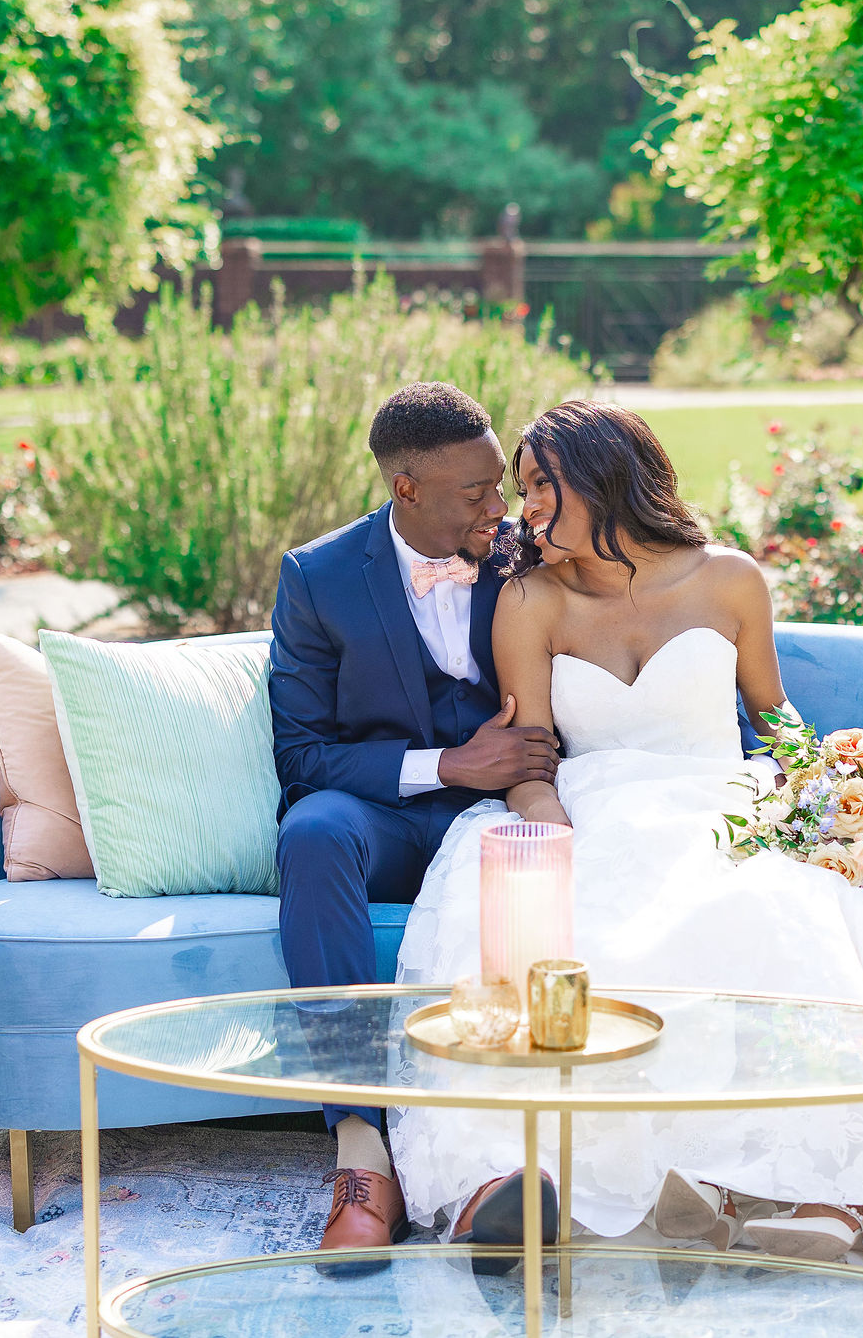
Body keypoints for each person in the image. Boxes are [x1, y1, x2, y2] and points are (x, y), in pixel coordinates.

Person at [390, 400, 863, 1292]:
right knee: (577, 921)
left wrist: (844, 799)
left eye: (544, 490)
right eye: (524, 494)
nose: (528, 515)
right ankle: (575, 1183)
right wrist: (545, 819)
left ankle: (816, 1193)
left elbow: (776, 722)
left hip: (724, 802)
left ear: (605, 481)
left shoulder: (731, 580)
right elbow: (528, 755)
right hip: (593, 806)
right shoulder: (530, 599)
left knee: (791, 916)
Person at [269, 382, 562, 1259]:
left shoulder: (526, 556)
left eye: (500, 486)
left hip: (510, 814)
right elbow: (302, 752)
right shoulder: (317, 577)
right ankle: (360, 1145)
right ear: (406, 489)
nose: (500, 507)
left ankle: (508, 1162)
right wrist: (446, 765)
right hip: (389, 816)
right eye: (477, 493)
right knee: (312, 831)